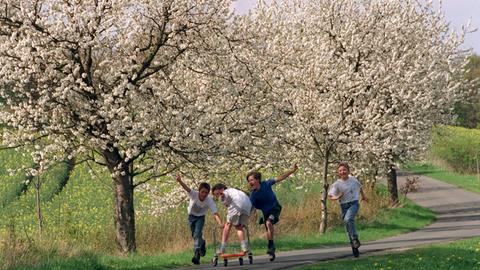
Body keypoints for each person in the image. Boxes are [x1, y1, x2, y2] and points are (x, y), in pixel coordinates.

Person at [247, 164, 298, 260]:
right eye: (249, 181)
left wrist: (292, 171)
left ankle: (271, 246)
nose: (250, 182)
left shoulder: (266, 184)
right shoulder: (253, 195)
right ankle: (271, 247)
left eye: (252, 180)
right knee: (268, 227)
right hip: (266, 212)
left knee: (269, 222)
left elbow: (281, 178)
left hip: (275, 208)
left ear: (258, 180)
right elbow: (251, 207)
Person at [176, 175, 223, 265]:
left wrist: (220, 223)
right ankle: (202, 243)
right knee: (195, 235)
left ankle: (196, 254)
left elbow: (215, 213)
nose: (204, 194)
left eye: (206, 193)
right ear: (199, 191)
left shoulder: (209, 201)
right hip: (191, 217)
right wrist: (180, 181)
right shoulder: (194, 194)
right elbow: (187, 188)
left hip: (200, 218)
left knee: (197, 233)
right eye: (202, 192)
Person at [328, 162, 368, 257]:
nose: (343, 172)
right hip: (343, 206)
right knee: (348, 227)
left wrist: (363, 197)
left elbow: (360, 187)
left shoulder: (353, 180)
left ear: (348, 171)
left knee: (348, 219)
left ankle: (355, 238)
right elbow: (331, 196)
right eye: (340, 170)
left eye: (344, 170)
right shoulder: (337, 184)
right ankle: (354, 248)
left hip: (354, 203)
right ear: (338, 172)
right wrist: (338, 196)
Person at [211, 183, 252, 254]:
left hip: (237, 204)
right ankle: (244, 246)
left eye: (217, 194)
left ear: (221, 189)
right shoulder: (234, 190)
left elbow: (224, 195)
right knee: (239, 227)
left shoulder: (225, 192)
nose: (218, 196)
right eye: (216, 195)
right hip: (248, 206)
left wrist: (222, 195)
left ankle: (222, 248)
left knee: (227, 225)